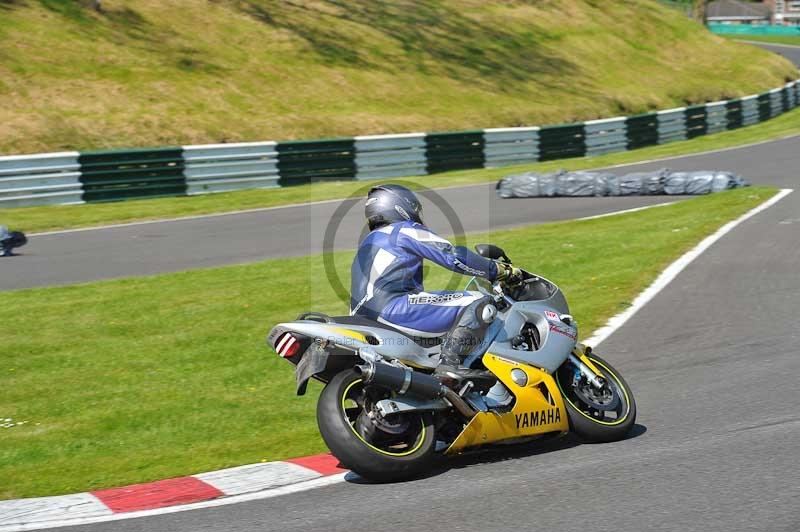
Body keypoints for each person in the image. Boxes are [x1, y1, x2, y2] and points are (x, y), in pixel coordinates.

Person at [350, 184, 521, 378]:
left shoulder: (367, 244)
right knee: (477, 301)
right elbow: (453, 256)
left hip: (362, 317)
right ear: (400, 206)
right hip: (392, 308)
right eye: (414, 209)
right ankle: (450, 365)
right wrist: (498, 270)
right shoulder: (401, 230)